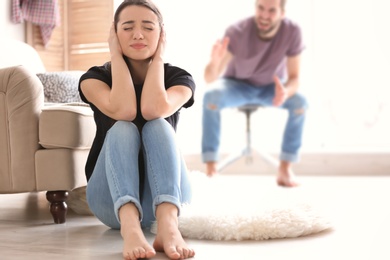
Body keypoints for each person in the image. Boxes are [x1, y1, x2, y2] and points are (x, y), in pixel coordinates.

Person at [78, 0, 196, 259]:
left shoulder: (180, 78)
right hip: (111, 203)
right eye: (128, 27)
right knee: (123, 127)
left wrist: (159, 58)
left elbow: (154, 109)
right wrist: (115, 56)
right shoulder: (93, 78)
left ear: (161, 33)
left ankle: (168, 226)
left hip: (169, 200)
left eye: (148, 27)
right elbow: (125, 111)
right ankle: (130, 227)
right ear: (114, 33)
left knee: (157, 124)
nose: (138, 35)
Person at [201, 0, 308, 187]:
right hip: (237, 85)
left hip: (271, 87)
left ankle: (284, 169)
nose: (264, 15)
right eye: (261, 8)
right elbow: (210, 78)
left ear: (282, 13)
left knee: (300, 103)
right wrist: (213, 63)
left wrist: (286, 91)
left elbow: (294, 78)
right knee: (211, 97)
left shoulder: (292, 32)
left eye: (272, 10)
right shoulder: (237, 31)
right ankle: (211, 168)